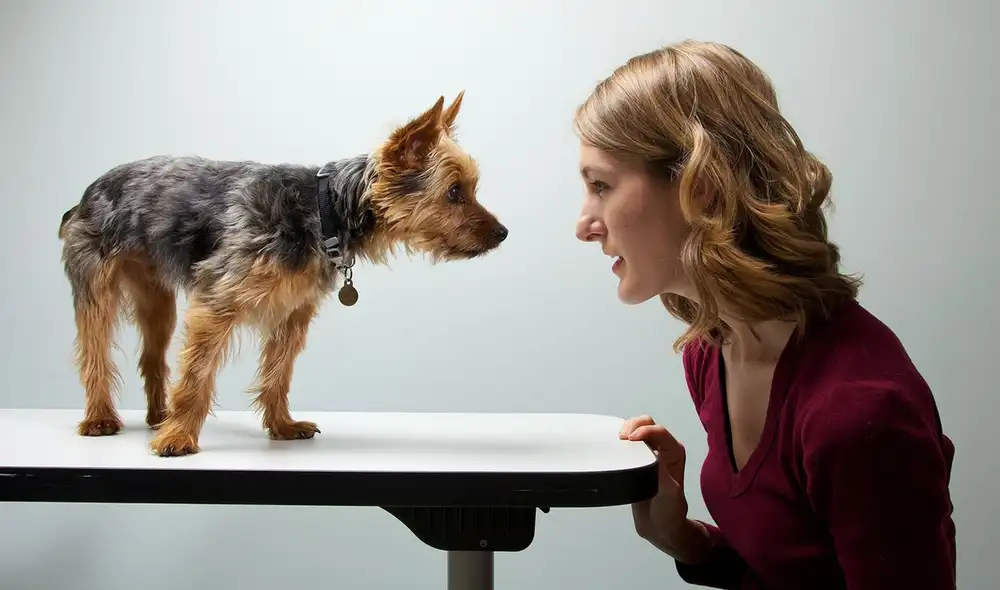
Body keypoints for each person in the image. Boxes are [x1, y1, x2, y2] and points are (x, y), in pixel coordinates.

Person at [572, 40, 957, 589]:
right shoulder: (714, 349)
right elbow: (793, 566)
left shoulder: (857, 414)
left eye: (601, 186)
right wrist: (681, 537)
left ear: (699, 188)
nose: (584, 223)